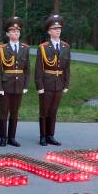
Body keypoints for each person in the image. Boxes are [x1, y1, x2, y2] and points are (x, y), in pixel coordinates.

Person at [0, 16, 30, 147]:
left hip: (19, 84)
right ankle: (3, 137)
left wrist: (25, 85)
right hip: (5, 84)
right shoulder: (2, 48)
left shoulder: (25, 48)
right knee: (4, 112)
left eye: (17, 32)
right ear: (8, 34)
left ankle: (12, 137)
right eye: (12, 31)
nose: (15, 34)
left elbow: (27, 69)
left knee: (15, 112)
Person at [35, 14, 70, 146]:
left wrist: (66, 83)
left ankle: (51, 135)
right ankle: (43, 136)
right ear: (49, 31)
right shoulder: (43, 47)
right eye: (55, 28)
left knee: (53, 111)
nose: (58, 30)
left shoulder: (66, 47)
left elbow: (67, 67)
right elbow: (39, 68)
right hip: (47, 83)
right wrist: (39, 86)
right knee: (44, 111)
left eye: (59, 28)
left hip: (59, 83)